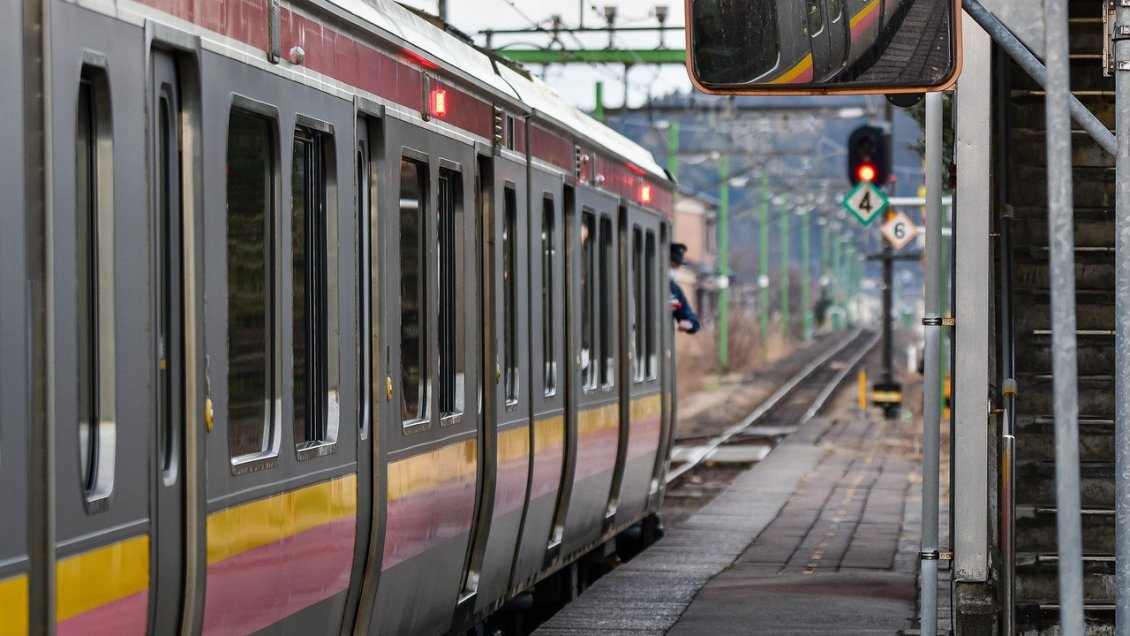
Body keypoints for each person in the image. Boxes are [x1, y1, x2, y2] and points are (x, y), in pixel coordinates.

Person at [669, 243, 701, 334]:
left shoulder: (673, 290)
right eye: (672, 264)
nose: (673, 269)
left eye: (676, 266)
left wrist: (690, 323)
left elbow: (687, 313)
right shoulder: (647, 281)